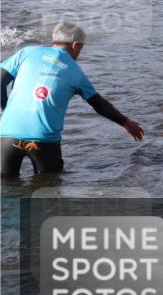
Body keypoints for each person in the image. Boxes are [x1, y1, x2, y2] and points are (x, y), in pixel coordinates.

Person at [0, 22, 144, 178]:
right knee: (49, 190)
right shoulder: (75, 71)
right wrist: (126, 123)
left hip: (7, 134)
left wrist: (6, 110)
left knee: (6, 188)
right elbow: (98, 104)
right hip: (44, 139)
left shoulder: (26, 53)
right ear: (75, 45)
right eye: (81, 48)